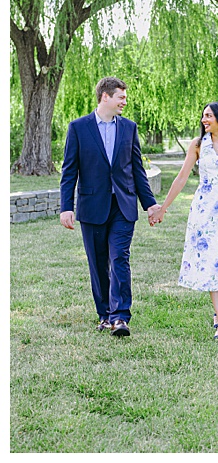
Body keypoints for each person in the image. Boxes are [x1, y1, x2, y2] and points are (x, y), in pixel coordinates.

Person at [59, 77, 161, 338]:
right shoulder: (78, 128)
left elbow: (137, 169)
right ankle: (104, 315)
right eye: (121, 97)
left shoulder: (129, 128)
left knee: (119, 258)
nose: (124, 102)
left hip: (123, 206)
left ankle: (120, 317)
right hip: (92, 206)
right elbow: (69, 171)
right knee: (98, 262)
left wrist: (149, 204)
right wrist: (66, 207)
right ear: (105, 96)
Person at [152, 103, 218, 340]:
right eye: (203, 116)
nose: (203, 119)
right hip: (205, 210)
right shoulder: (198, 145)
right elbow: (181, 178)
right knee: (213, 260)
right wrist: (163, 208)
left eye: (208, 115)